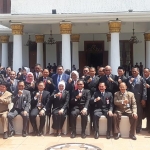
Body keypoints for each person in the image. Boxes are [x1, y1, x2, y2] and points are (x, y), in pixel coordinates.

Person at [127, 67, 147, 133]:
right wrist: (130, 82)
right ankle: (133, 127)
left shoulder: (141, 79)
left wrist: (144, 99)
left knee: (139, 113)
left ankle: (139, 127)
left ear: (138, 71)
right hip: (130, 99)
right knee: (132, 113)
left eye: (135, 71)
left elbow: (144, 89)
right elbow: (126, 87)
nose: (133, 72)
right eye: (132, 71)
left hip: (139, 98)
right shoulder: (129, 78)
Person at [143, 68, 150, 133]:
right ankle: (147, 127)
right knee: (147, 114)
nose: (145, 73)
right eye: (144, 72)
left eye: (146, 72)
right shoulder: (143, 79)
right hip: (146, 100)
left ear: (149, 72)